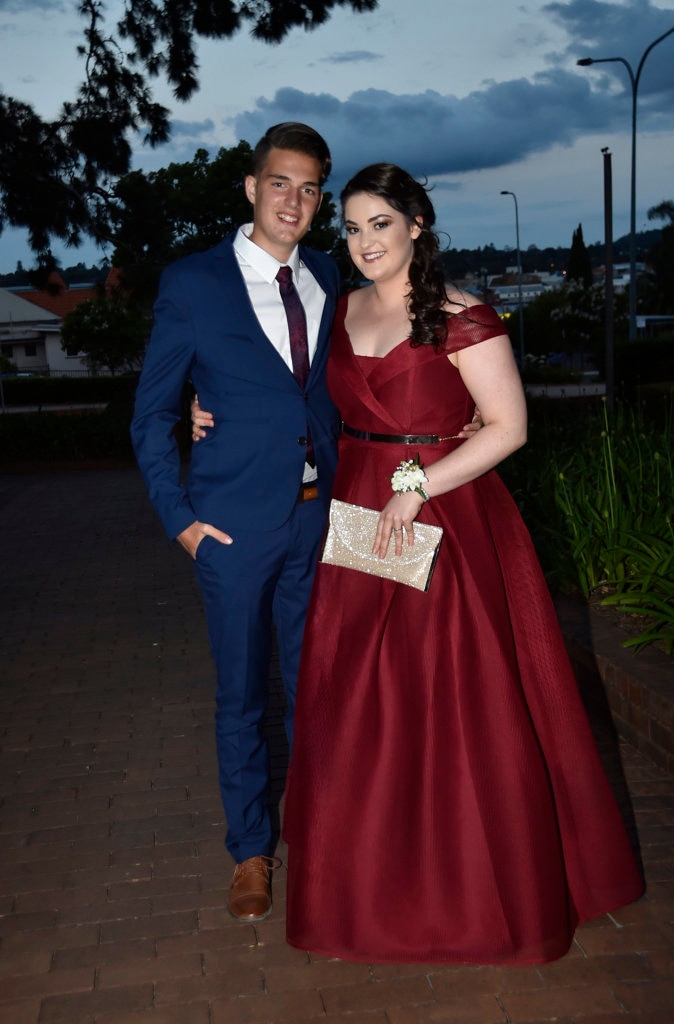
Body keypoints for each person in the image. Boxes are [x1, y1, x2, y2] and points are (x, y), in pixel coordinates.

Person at [280, 163, 643, 964]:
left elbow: (507, 427)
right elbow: (306, 405)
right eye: (352, 226)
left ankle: (473, 894)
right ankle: (371, 888)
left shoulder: (461, 316)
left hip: (438, 513)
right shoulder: (340, 312)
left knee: (449, 697)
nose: (365, 240)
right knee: (359, 704)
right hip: (358, 515)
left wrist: (416, 484)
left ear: (417, 226)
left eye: (381, 223)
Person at [130, 122, 342, 923]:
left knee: (320, 687)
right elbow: (151, 414)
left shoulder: (329, 273)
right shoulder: (194, 282)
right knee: (244, 696)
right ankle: (251, 852)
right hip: (231, 530)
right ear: (252, 188)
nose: (294, 200)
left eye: (310, 187)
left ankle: (322, 836)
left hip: (320, 521)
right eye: (280, 183)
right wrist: (181, 520)